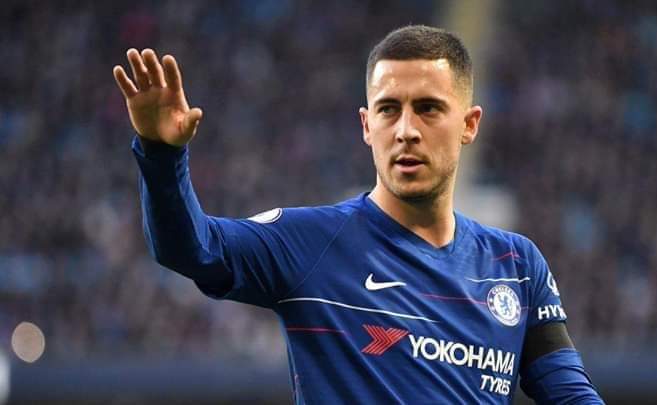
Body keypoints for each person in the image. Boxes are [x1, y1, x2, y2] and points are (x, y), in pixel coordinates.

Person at [113, 25, 604, 404]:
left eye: (429, 108)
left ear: (469, 124)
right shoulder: (310, 243)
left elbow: (570, 394)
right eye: (389, 109)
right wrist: (161, 153)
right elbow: (191, 249)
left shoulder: (516, 265)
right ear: (367, 126)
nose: (406, 130)